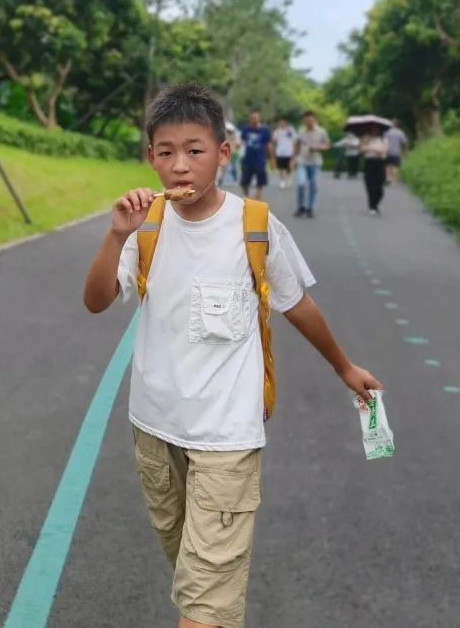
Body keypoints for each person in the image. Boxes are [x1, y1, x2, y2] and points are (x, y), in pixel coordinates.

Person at [82, 83, 382, 628]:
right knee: (188, 568)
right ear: (150, 156)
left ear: (224, 153)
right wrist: (113, 235)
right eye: (166, 152)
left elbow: (298, 304)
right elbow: (97, 301)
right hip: (154, 427)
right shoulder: (143, 224)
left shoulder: (256, 226)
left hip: (228, 435)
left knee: (202, 599)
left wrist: (344, 366)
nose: (180, 167)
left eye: (195, 151)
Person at [293, 110, 330, 218]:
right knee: (301, 183)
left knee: (314, 184)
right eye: (307, 120)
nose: (309, 122)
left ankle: (310, 207)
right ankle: (301, 206)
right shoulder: (301, 131)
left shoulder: (321, 131)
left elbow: (327, 145)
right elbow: (296, 144)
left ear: (315, 120)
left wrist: (319, 147)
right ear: (304, 120)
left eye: (311, 120)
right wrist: (293, 158)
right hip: (302, 161)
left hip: (315, 162)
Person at [239, 109, 271, 200]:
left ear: (259, 118)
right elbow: (242, 142)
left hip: (260, 159)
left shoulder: (265, 130)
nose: (254, 120)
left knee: (260, 182)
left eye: (256, 118)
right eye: (252, 118)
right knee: (244, 183)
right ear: (249, 119)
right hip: (247, 160)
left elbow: (268, 145)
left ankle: (257, 199)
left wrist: (272, 159)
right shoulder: (245, 129)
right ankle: (248, 196)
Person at [360, 124, 389, 215]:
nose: (374, 131)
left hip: (380, 163)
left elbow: (384, 150)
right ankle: (372, 206)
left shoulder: (383, 139)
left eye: (376, 129)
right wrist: (375, 149)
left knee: (380, 188)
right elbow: (362, 149)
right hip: (369, 162)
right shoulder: (365, 138)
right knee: (370, 185)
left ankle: (375, 204)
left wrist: (370, 148)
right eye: (372, 129)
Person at [271, 115, 297, 188]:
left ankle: (289, 178)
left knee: (289, 167)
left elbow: (295, 141)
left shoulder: (290, 130)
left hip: (289, 152)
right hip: (280, 152)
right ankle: (282, 180)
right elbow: (274, 141)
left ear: (285, 123)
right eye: (280, 122)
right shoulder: (277, 131)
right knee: (281, 168)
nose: (281, 123)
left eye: (283, 122)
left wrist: (294, 151)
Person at [217, 120, 241, 187]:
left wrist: (237, 146)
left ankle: (236, 179)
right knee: (223, 167)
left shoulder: (235, 135)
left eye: (229, 131)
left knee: (234, 167)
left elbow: (238, 144)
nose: (228, 132)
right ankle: (220, 179)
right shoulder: (223, 135)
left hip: (233, 153)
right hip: (225, 153)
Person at [384, 119, 408, 185]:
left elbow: (384, 142)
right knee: (395, 167)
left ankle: (388, 178)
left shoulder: (386, 133)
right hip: (396, 152)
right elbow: (404, 143)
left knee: (387, 166)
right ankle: (394, 181)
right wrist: (405, 152)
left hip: (387, 152)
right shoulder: (400, 133)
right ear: (397, 125)